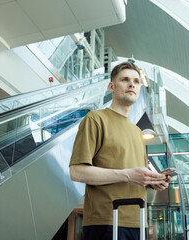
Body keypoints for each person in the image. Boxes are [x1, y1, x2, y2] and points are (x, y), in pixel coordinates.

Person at [69, 62, 171, 240]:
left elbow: (132, 175)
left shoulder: (138, 132)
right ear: (112, 86)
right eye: (125, 80)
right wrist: (129, 175)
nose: (132, 84)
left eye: (136, 81)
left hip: (138, 222)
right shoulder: (95, 119)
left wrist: (151, 182)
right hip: (106, 221)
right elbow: (77, 172)